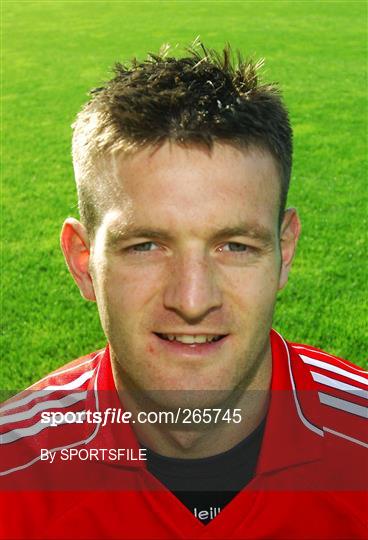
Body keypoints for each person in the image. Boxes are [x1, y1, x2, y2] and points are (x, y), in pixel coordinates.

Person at [1, 42, 367, 540]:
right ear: (84, 262)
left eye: (234, 246)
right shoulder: (14, 472)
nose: (193, 302)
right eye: (147, 245)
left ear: (284, 251)